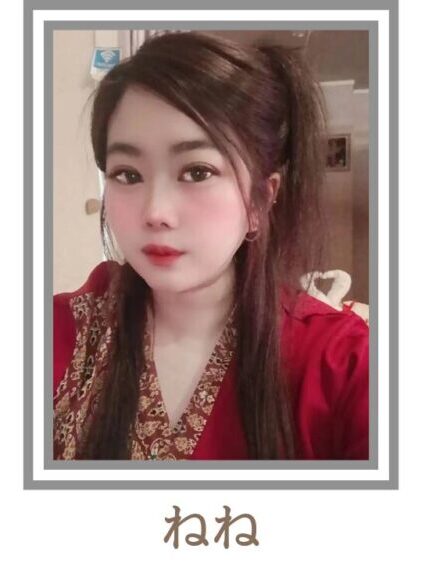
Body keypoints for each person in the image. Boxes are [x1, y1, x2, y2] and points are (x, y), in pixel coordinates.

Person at [53, 31, 369, 461]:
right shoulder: (58, 332)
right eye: (127, 174)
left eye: (197, 172)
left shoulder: (345, 364)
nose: (156, 212)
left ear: (261, 199)